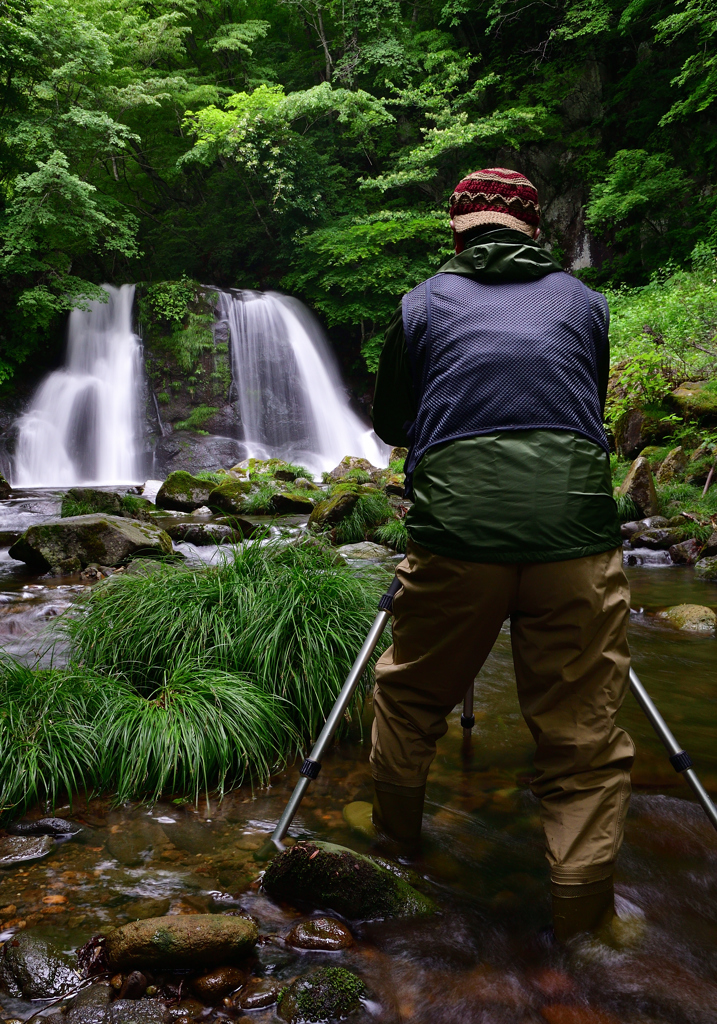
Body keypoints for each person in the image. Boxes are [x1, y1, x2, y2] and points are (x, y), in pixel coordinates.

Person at [349, 167, 634, 943]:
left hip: (458, 531)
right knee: (581, 735)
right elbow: (586, 402)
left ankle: (397, 855)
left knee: (411, 697)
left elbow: (395, 424)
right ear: (532, 229)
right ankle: (585, 923)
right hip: (573, 529)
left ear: (457, 228)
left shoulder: (419, 304)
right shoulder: (583, 302)